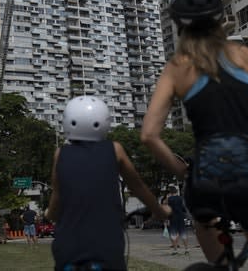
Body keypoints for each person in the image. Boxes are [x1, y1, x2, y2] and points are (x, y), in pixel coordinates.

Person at [140, 0, 248, 271]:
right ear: (219, 18)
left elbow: (149, 134)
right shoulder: (246, 57)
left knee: (214, 251)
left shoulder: (177, 67)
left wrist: (184, 172)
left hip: (207, 187)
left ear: (178, 25)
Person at [47, 96, 171, 271]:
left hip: (68, 247)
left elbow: (57, 198)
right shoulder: (115, 149)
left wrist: (50, 214)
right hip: (106, 247)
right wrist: (160, 211)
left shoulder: (60, 154)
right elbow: (138, 186)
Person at [166, 185, 189, 255]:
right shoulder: (181, 198)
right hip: (181, 217)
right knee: (183, 233)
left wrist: (167, 219)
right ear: (176, 191)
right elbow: (184, 208)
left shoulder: (169, 199)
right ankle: (187, 249)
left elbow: (168, 210)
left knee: (173, 234)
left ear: (170, 192)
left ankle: (175, 250)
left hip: (173, 217)